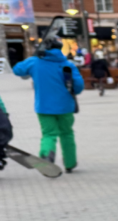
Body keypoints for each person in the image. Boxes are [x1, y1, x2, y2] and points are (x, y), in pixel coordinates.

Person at [12, 37, 83, 173]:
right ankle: (70, 163)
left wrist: (33, 56)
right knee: (67, 133)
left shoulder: (35, 62)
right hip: (65, 106)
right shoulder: (67, 64)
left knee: (49, 134)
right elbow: (78, 86)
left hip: (44, 106)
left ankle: (46, 154)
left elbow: (17, 70)